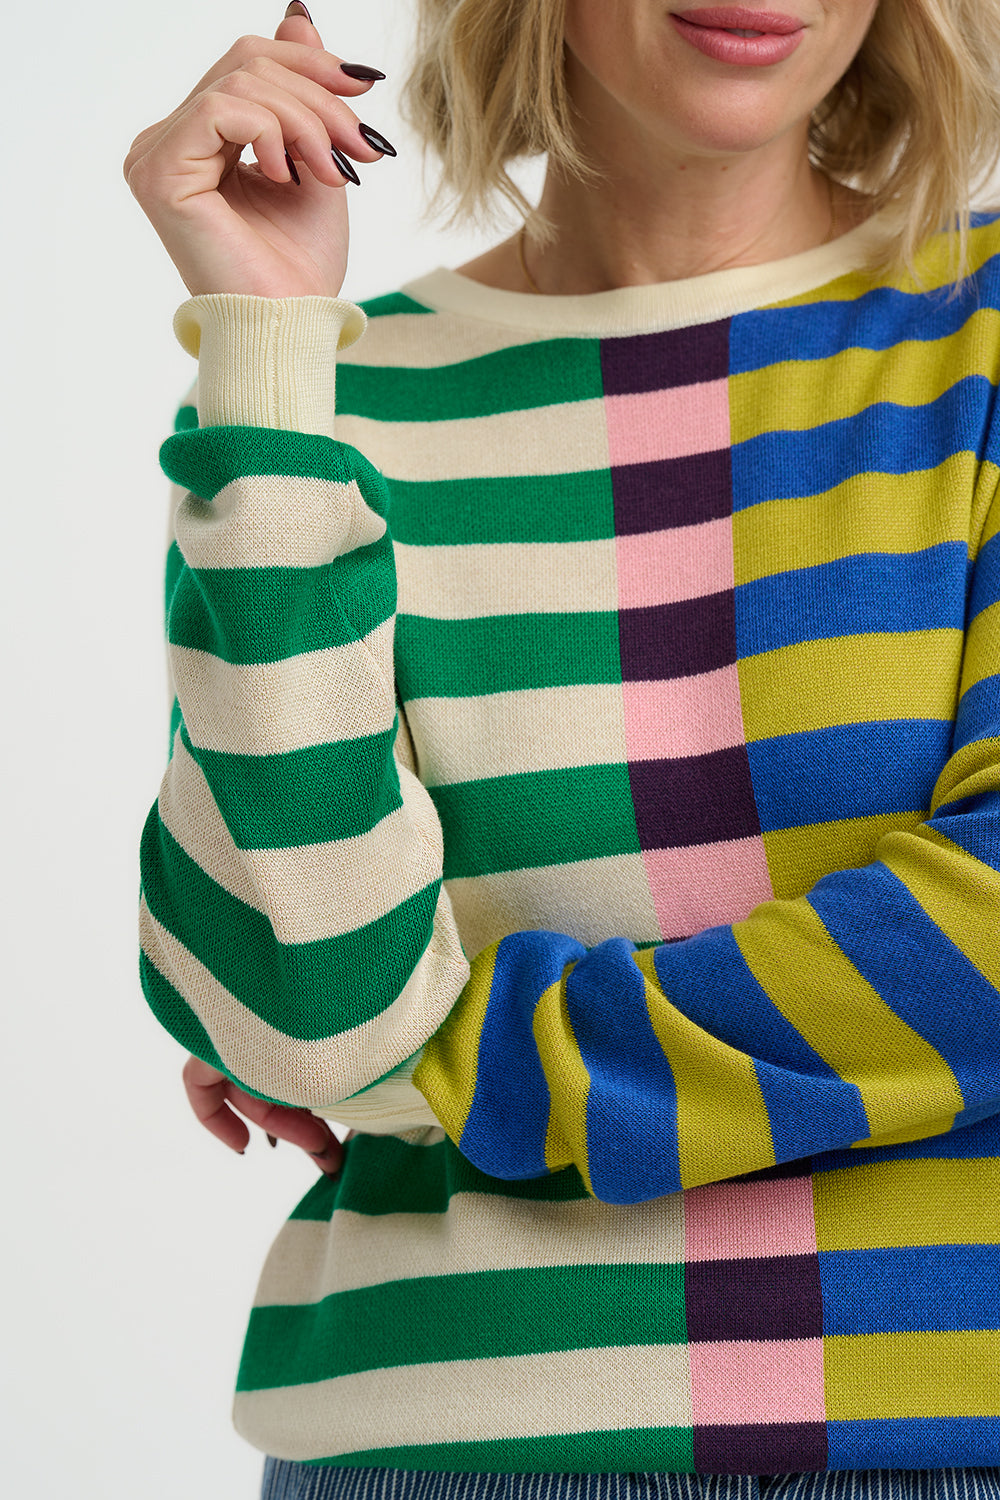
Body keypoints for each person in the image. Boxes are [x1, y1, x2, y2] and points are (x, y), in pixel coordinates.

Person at [124, 0, 1000, 1497]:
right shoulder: (328, 398)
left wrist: (450, 1064)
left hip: (926, 1435)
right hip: (429, 1447)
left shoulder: (973, 337)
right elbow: (297, 1001)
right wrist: (267, 345)